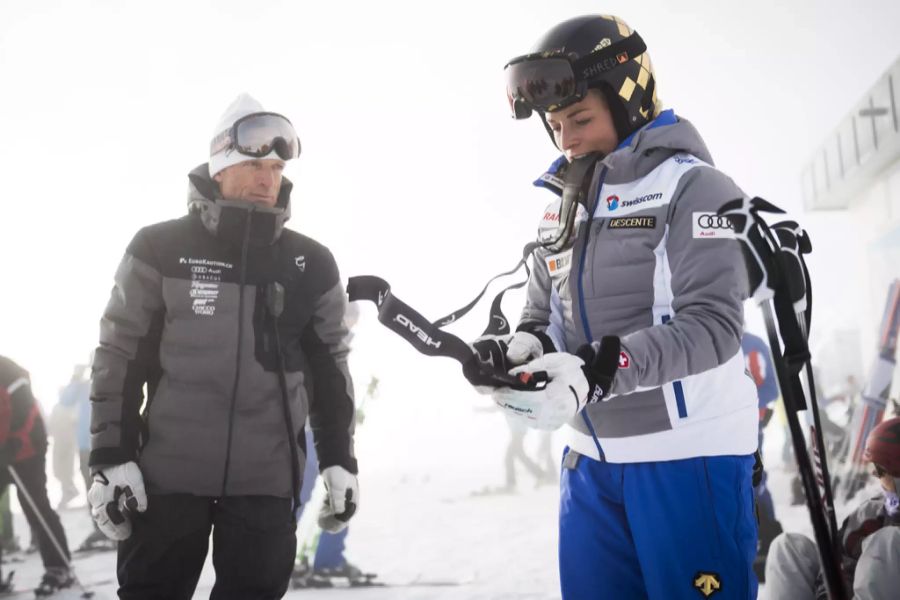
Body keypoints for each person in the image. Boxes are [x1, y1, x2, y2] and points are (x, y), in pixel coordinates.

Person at [471, 15, 759, 599]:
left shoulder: (698, 188)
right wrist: (525, 350)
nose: (566, 140)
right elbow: (542, 313)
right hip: (589, 460)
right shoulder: (561, 204)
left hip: (687, 457)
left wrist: (604, 370)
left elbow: (716, 325)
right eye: (555, 127)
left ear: (630, 100)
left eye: (580, 119)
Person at [87, 93, 360, 599]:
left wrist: (340, 459)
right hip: (166, 484)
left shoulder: (310, 262)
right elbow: (118, 355)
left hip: (266, 487)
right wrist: (110, 455)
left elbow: (330, 367)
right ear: (219, 168)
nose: (268, 179)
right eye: (255, 165)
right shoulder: (158, 248)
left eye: (277, 167)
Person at [765, 416, 900, 599]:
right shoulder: (871, 514)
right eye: (877, 470)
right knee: (788, 546)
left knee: (889, 541)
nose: (878, 476)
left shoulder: (889, 541)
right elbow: (839, 560)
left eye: (883, 471)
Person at [0, 355, 74, 595]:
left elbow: (23, 410)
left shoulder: (8, 371)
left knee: (36, 507)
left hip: (26, 448)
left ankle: (58, 567)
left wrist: (11, 443)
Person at [741, 330, 783, 580]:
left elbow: (771, 389)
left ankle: (768, 539)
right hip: (716, 431)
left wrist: (746, 403)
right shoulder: (707, 338)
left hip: (748, 427)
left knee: (754, 482)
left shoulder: (753, 345)